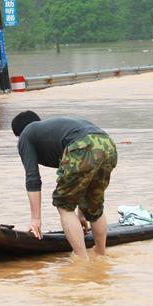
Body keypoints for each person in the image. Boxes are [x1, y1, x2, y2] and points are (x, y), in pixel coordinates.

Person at [12, 111, 117, 259]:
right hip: (107, 145)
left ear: (18, 134)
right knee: (94, 204)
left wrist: (35, 220)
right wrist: (82, 212)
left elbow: (32, 178)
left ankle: (81, 259)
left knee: (63, 204)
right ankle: (101, 252)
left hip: (81, 145)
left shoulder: (26, 135)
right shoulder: (52, 130)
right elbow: (83, 180)